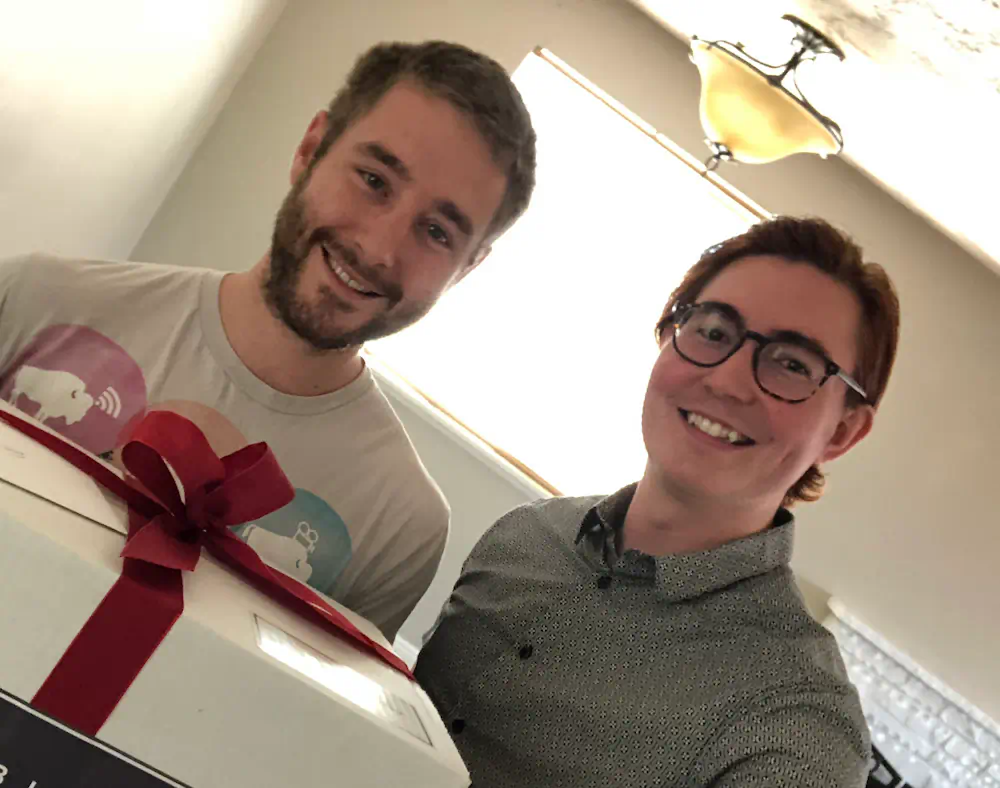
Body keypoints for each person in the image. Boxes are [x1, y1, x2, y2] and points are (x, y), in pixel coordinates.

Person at [0, 40, 537, 641]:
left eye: (437, 231)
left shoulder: (401, 525)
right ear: (311, 149)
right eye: (373, 179)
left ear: (466, 268)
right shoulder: (35, 299)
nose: (381, 249)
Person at [415, 216, 900, 787]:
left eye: (793, 365)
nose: (727, 382)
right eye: (715, 332)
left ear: (843, 432)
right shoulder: (524, 536)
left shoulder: (796, 728)